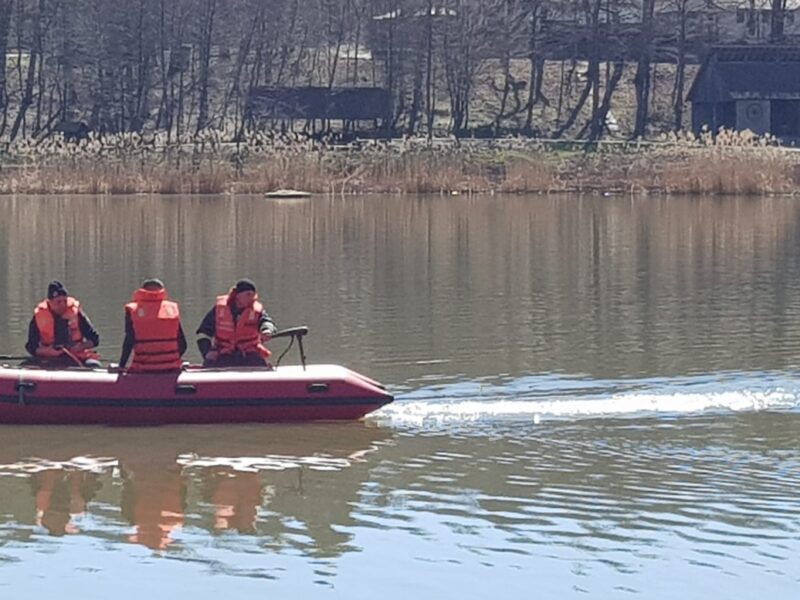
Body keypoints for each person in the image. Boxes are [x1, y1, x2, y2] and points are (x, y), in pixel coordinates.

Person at [196, 279, 276, 368]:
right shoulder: (220, 310)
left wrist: (267, 330)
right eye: (248, 294)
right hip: (224, 354)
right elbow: (203, 333)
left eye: (253, 295)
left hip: (249, 355)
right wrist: (207, 352)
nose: (251, 298)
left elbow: (266, 321)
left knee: (260, 365)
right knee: (209, 364)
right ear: (238, 295)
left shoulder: (256, 310)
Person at [25, 281, 102, 368]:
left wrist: (79, 347)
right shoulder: (39, 316)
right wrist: (48, 351)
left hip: (76, 356)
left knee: (94, 365)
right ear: (50, 302)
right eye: (58, 302)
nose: (63, 305)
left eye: (65, 301)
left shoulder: (76, 313)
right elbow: (31, 346)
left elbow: (94, 339)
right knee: (26, 366)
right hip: (50, 358)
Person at [119, 278, 187, 373]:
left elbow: (129, 341)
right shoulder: (171, 309)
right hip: (171, 368)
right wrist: (172, 360)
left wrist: (121, 366)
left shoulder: (133, 310)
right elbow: (183, 345)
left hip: (142, 368)